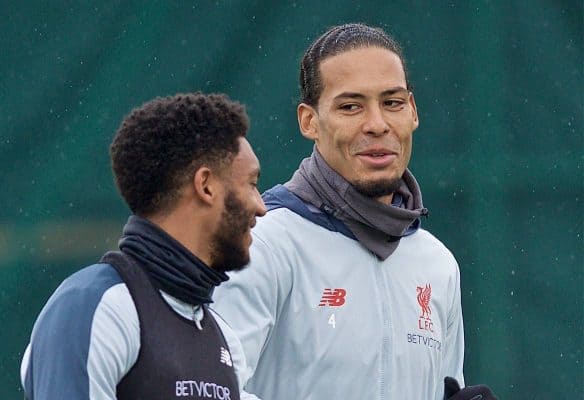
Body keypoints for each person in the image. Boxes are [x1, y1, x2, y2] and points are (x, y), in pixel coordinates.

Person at [212, 23, 497, 400]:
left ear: (412, 112)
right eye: (351, 106)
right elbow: (214, 390)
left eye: (392, 103)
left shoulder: (437, 263)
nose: (377, 124)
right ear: (309, 121)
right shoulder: (263, 244)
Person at [20, 92, 267, 399]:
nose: (261, 207)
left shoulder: (221, 338)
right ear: (206, 185)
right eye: (252, 184)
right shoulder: (95, 307)